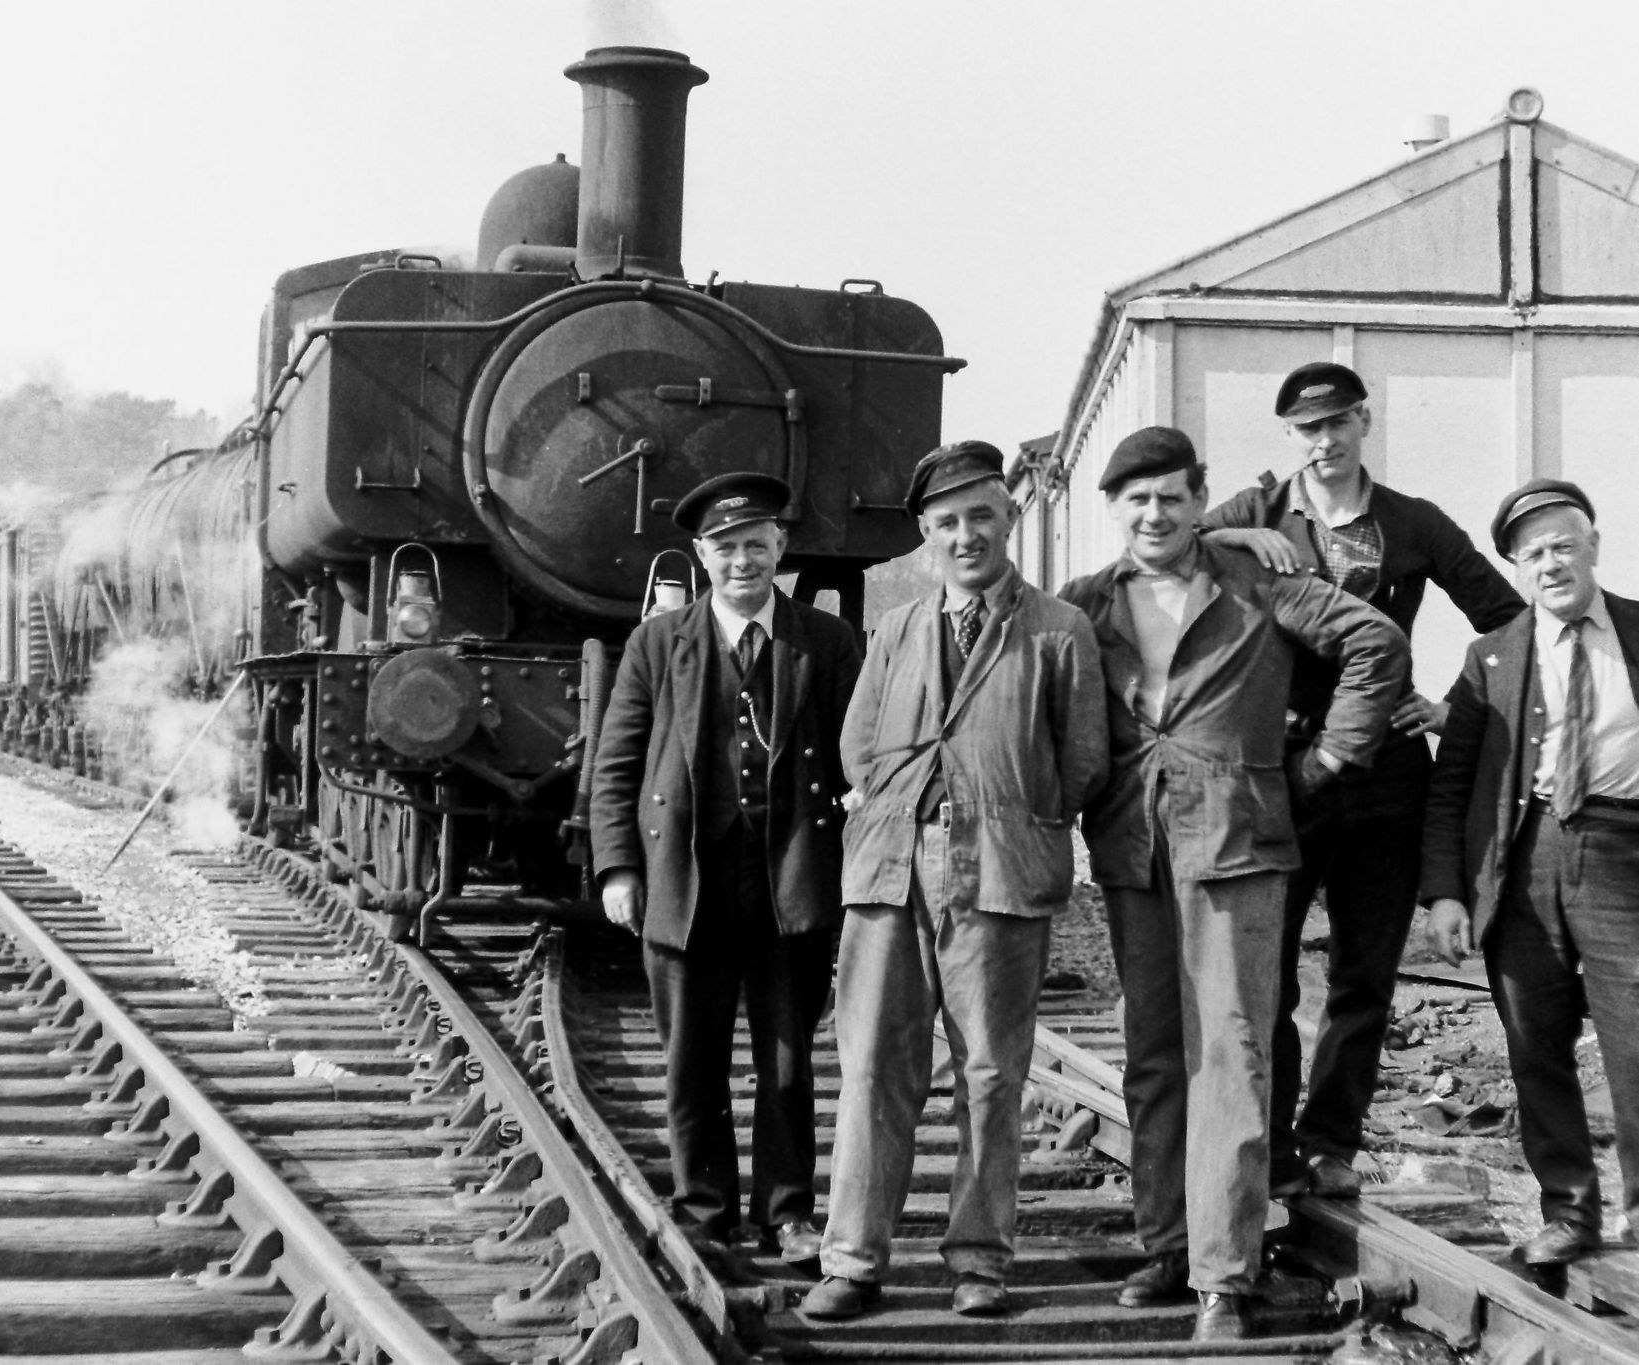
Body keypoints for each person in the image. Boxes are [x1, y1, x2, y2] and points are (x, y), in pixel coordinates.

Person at [1060, 426, 1407, 1340]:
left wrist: (1330, 756)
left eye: (1171, 496)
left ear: (1195, 498)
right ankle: (1165, 1246)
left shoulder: (1256, 582)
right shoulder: (1085, 602)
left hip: (1239, 846)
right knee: (1153, 1054)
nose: (1154, 513)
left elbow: (1374, 642)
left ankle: (1225, 1274)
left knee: (1235, 1053)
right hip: (1134, 848)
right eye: (1136, 498)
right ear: (1114, 509)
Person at [1421, 478, 1639, 1272]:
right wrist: (1446, 889)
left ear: (1593, 547)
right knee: (1535, 1042)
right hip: (1519, 859)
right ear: (1516, 569)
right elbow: (1452, 781)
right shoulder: (1492, 656)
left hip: (1624, 848)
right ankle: (1568, 1214)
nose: (1550, 564)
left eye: (1563, 546)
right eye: (1532, 554)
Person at [801, 440, 1109, 1321]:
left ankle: (979, 1260)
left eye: (980, 516)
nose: (965, 535)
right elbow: (861, 746)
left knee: (989, 1073)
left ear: (1009, 517)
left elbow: (1082, 760)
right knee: (871, 1067)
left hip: (1001, 874)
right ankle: (854, 1260)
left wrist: (1005, 804)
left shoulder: (1058, 630)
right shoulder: (895, 629)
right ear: (925, 538)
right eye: (946, 524)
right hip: (891, 872)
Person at [1201, 362, 1524, 1199]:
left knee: (1364, 974)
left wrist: (1455, 707)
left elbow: (1509, 622)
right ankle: (1267, 1145)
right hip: (1283, 773)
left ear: (1365, 422)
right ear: (1289, 437)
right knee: (1265, 977)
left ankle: (1330, 1142)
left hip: (1384, 778)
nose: (1325, 440)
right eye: (1309, 429)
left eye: (1339, 422)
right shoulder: (1259, 510)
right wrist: (1237, 539)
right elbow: (1173, 544)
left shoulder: (1414, 523)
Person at [589, 471, 862, 1265]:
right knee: (692, 1057)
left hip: (793, 874)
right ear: (700, 555)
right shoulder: (656, 643)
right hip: (688, 877)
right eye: (725, 547)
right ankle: (704, 1208)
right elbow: (616, 766)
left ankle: (788, 1211)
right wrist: (617, 869)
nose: (742, 560)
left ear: (780, 547)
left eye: (756, 544)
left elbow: (862, 756)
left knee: (787, 1057)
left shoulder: (827, 640)